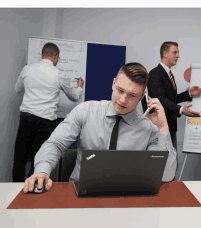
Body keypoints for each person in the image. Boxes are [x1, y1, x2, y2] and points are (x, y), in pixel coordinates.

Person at [23, 62, 177, 193]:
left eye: (132, 95)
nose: (123, 100)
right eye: (120, 90)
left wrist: (163, 128)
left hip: (127, 198)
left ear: (142, 96)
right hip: (80, 193)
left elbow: (166, 175)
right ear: (113, 83)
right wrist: (42, 171)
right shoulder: (86, 111)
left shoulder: (149, 128)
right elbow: (55, 144)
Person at [13, 42, 84, 182]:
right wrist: (79, 86)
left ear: (42, 54)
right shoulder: (58, 74)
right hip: (45, 123)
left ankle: (16, 191)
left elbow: (17, 90)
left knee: (19, 160)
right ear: (56, 56)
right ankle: (31, 189)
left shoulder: (27, 69)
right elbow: (74, 96)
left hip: (25, 120)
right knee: (39, 160)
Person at [146, 41, 201, 150]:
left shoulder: (169, 74)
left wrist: (189, 94)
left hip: (170, 126)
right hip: (160, 127)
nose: (178, 56)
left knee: (171, 162)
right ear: (165, 53)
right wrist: (181, 109)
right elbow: (159, 100)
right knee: (162, 163)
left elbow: (170, 99)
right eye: (175, 52)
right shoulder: (155, 74)